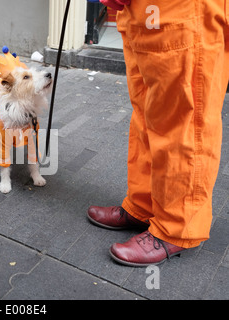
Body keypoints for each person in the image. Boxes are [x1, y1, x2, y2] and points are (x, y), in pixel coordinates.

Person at [88, 0, 229, 267]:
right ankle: (143, 206)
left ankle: (177, 227)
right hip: (139, 10)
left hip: (181, 7)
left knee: (183, 122)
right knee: (146, 115)